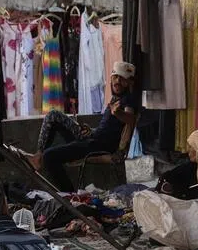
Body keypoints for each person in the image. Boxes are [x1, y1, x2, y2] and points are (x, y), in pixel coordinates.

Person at [24, 61, 139, 191]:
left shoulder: (128, 100)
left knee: (50, 157)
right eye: (115, 77)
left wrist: (118, 113)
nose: (117, 81)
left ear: (129, 82)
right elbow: (108, 128)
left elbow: (130, 118)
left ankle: (69, 196)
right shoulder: (115, 99)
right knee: (53, 116)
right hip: (91, 137)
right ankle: (38, 155)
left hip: (98, 145)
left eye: (122, 78)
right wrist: (91, 130)